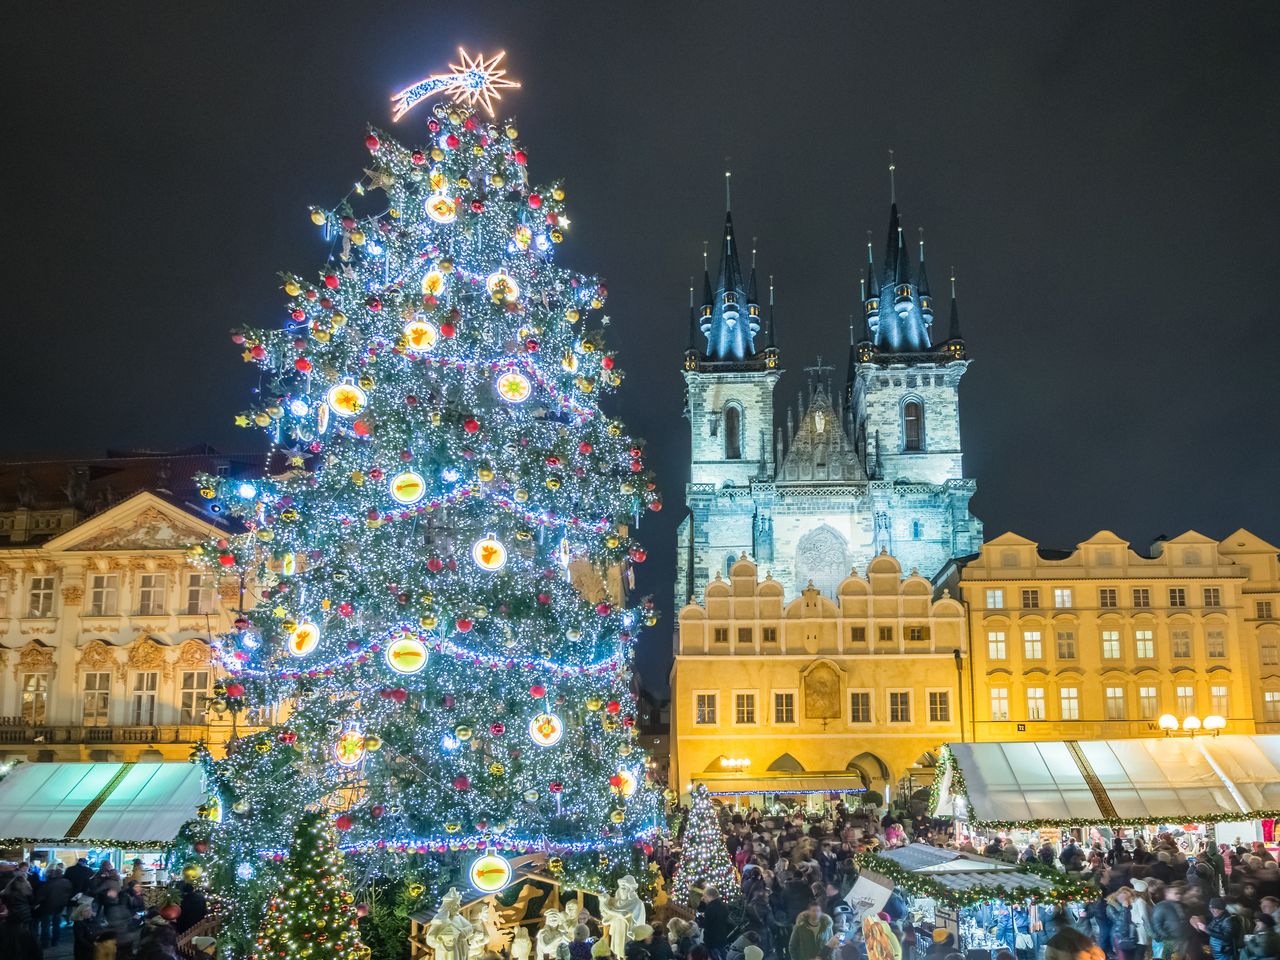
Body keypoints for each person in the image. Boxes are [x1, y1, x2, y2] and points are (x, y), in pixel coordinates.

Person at [37, 863, 74, 946]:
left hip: (47, 907)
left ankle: (45, 943)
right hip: (60, 907)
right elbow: (69, 893)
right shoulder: (67, 882)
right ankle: (55, 941)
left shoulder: (47, 884)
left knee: (46, 926)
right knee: (56, 925)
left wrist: (35, 903)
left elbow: (40, 896)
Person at [1152, 885, 1191, 960]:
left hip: (1182, 939)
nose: (1179, 895)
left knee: (1181, 957)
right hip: (1168, 940)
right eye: (1176, 893)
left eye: (1180, 893)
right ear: (1167, 894)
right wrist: (1167, 936)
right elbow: (1156, 925)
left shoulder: (1184, 906)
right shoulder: (1161, 906)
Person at [697, 886, 731, 960]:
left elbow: (705, 925)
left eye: (704, 896)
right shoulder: (724, 906)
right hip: (722, 938)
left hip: (711, 941)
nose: (704, 898)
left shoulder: (710, 908)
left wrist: (700, 918)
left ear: (708, 896)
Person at [1107, 888, 1140, 960]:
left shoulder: (1130, 905)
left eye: (1128, 896)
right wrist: (1124, 908)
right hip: (1119, 936)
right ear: (1118, 894)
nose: (1125, 897)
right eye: (1123, 893)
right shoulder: (1111, 906)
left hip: (1131, 936)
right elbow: (1120, 922)